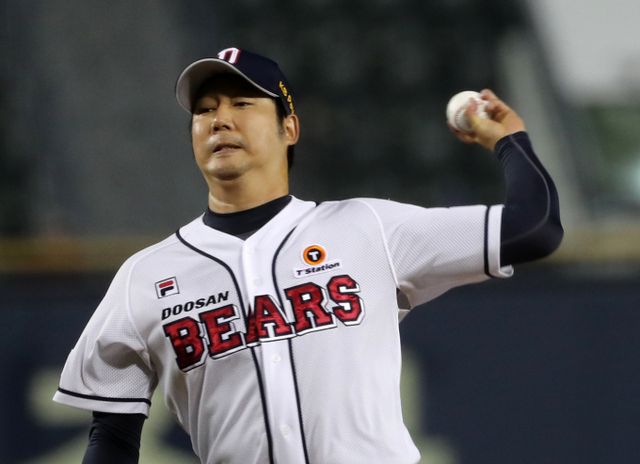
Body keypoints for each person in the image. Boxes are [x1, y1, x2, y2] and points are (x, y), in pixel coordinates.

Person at [53, 47, 563, 464]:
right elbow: (112, 434)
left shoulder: (368, 228)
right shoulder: (146, 276)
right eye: (204, 110)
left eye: (242, 103)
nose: (219, 119)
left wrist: (509, 141)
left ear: (289, 129)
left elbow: (534, 229)